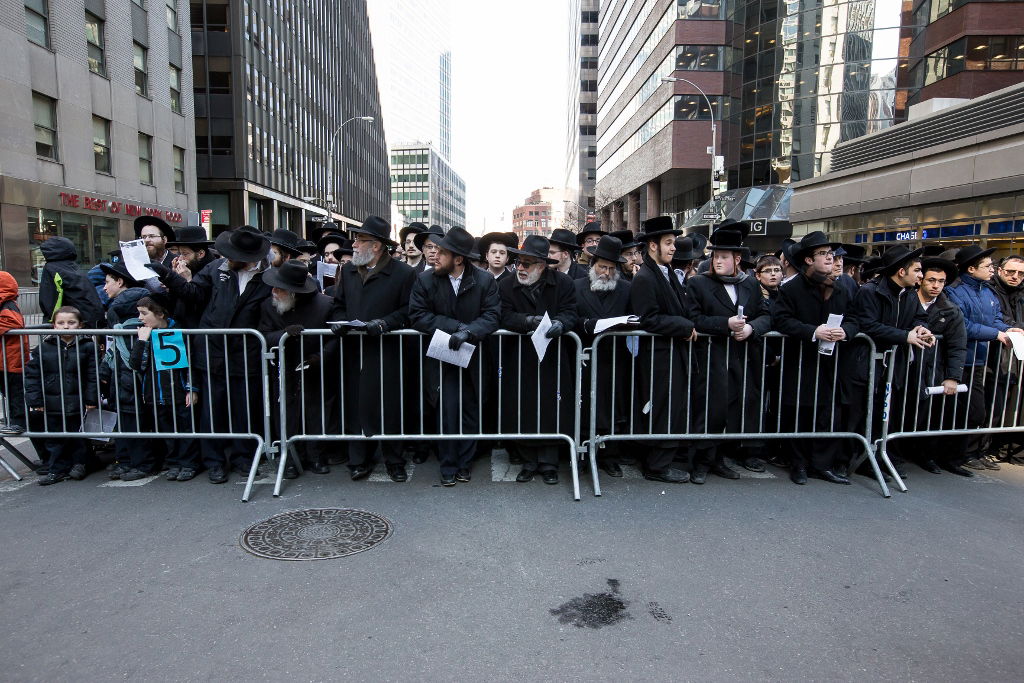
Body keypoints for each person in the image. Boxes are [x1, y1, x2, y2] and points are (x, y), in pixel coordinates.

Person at [146, 225, 272, 484]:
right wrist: (167, 275)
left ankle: (244, 459)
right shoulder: (216, 270)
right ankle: (214, 462)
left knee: (244, 411)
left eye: (233, 255)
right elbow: (193, 293)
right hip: (213, 352)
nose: (228, 258)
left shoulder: (268, 277)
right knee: (212, 413)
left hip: (245, 355)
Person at [408, 227, 500, 486]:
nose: (435, 255)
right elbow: (417, 315)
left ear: (458, 259)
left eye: (443, 252)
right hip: (442, 356)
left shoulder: (484, 281)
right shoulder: (426, 280)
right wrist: (454, 327)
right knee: (447, 412)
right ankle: (448, 465)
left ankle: (464, 464)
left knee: (471, 411)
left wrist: (470, 332)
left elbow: (493, 315)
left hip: (474, 355)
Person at [328, 216, 417, 482]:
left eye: (360, 240)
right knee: (355, 403)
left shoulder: (404, 273)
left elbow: (409, 310)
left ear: (376, 246)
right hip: (355, 348)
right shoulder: (350, 271)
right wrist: (340, 322)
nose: (354, 245)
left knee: (389, 404)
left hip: (387, 348)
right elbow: (338, 303)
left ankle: (394, 459)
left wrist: (386, 323)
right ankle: (358, 459)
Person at [684, 220, 772, 480]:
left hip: (741, 358)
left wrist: (751, 329)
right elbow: (694, 318)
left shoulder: (750, 284)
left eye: (724, 256)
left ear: (737, 258)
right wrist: (726, 324)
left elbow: (766, 315)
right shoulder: (698, 283)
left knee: (732, 409)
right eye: (715, 256)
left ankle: (718, 459)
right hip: (710, 358)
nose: (718, 261)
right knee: (709, 410)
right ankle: (701, 462)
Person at [772, 231, 859, 485]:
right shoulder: (791, 289)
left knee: (827, 414)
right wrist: (812, 331)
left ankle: (822, 464)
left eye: (830, 253)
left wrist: (847, 332)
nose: (830, 258)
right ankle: (798, 464)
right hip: (801, 361)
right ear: (808, 260)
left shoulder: (842, 289)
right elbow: (781, 320)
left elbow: (855, 319)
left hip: (832, 363)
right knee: (799, 412)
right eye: (823, 254)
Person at [498, 235, 579, 485]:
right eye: (519, 262)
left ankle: (549, 462)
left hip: (552, 357)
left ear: (543, 265)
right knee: (523, 406)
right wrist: (526, 321)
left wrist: (560, 324)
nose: (520, 268)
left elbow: (571, 312)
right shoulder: (506, 285)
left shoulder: (563, 283)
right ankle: (528, 461)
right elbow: (502, 314)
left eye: (527, 264)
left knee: (551, 408)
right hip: (520, 357)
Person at [849, 245, 934, 479]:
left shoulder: (908, 294)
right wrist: (905, 336)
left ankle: (877, 458)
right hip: (866, 365)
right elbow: (867, 324)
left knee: (883, 415)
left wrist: (921, 329)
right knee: (861, 414)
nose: (920, 276)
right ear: (900, 271)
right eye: (917, 270)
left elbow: (920, 317)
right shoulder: (869, 292)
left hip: (893, 365)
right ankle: (856, 459)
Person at [944, 245, 1024, 470]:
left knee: (977, 411)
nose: (992, 269)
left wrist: (1009, 330)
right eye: (988, 266)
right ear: (971, 268)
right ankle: (954, 455)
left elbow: (995, 319)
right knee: (957, 412)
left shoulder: (987, 292)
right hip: (959, 360)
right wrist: (996, 333)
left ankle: (968, 453)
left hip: (980, 360)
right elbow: (963, 326)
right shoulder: (954, 291)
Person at [628, 216, 694, 484]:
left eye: (674, 243)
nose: (673, 248)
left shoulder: (664, 273)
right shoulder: (645, 277)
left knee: (671, 407)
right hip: (659, 358)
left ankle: (662, 459)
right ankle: (657, 465)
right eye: (668, 243)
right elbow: (649, 318)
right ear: (652, 245)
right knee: (662, 408)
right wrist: (684, 325)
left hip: (670, 354)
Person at [259, 260, 334, 479]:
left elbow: (336, 339)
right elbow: (262, 335)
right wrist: (283, 334)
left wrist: (320, 358)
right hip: (284, 368)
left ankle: (317, 456)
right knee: (286, 412)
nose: (274, 292)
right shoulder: (267, 305)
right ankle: (290, 458)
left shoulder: (325, 305)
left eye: (279, 289)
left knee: (316, 412)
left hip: (315, 368)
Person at [573, 235, 634, 477]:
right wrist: (585, 325)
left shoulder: (626, 289)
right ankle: (582, 454)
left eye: (611, 268)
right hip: (584, 359)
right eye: (602, 267)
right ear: (592, 266)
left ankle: (609, 457)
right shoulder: (576, 286)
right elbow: (569, 316)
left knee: (612, 408)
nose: (606, 273)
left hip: (614, 360)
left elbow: (635, 317)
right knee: (584, 408)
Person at [128, 294, 201, 481]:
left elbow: (190, 363)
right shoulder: (144, 334)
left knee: (185, 429)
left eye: (144, 314)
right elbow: (136, 364)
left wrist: (191, 388)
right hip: (154, 393)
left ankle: (188, 463)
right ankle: (174, 462)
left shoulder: (177, 331)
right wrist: (141, 342)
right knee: (166, 431)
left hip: (177, 391)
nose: (140, 318)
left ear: (159, 313)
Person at [24, 307, 99, 485]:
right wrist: (35, 400)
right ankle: (56, 468)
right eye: (61, 323)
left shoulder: (88, 346)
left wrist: (91, 398)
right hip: (52, 403)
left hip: (77, 400)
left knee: (78, 435)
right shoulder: (43, 348)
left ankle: (80, 464)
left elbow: (93, 375)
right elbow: (32, 375)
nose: (66, 327)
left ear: (80, 325)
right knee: (55, 437)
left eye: (71, 323)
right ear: (54, 326)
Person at [913, 257, 971, 476]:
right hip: (903, 367)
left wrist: (952, 377)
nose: (936, 285)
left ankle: (925, 455)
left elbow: (958, 346)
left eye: (941, 281)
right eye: (931, 280)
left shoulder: (951, 310)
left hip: (932, 370)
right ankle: (894, 454)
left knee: (929, 415)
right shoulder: (907, 300)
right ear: (921, 280)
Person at [99, 260, 150, 480]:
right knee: (125, 422)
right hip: (121, 380)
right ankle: (126, 461)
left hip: (130, 380)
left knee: (134, 422)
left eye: (107, 282)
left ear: (120, 282)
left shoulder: (128, 319)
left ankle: (141, 463)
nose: (104, 287)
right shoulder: (119, 314)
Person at [37, 237, 105, 328]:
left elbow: (50, 298)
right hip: (88, 319)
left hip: (72, 322)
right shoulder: (73, 266)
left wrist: (52, 321)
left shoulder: (51, 268)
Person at [165, 226, 217, 326]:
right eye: (179, 253)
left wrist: (188, 281)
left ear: (200, 253)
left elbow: (202, 302)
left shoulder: (214, 271)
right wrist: (173, 281)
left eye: (185, 254)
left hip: (201, 330)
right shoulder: (188, 267)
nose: (180, 258)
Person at [0, 272, 30, 435]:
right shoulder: (5, 304)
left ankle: (19, 421)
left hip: (12, 360)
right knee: (9, 391)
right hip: (6, 359)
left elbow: (12, 322)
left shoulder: (8, 305)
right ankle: (14, 418)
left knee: (14, 392)